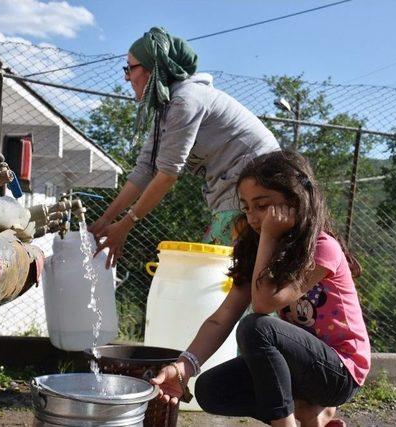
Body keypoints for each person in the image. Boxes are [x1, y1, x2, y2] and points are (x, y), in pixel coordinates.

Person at [150, 150, 371, 427]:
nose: (253, 217)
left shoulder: (322, 247)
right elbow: (223, 316)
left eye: (262, 205)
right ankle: (309, 410)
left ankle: (291, 421)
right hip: (295, 369)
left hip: (339, 372)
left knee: (257, 327)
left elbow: (265, 304)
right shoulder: (258, 250)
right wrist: (185, 365)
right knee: (211, 390)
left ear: (294, 201)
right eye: (246, 208)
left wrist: (268, 236)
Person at [88, 27, 279, 267]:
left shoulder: (185, 100)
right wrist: (105, 221)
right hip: (235, 189)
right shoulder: (167, 107)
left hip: (256, 187)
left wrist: (125, 225)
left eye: (129, 68)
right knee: (225, 270)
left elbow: (167, 174)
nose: (126, 77)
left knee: (221, 270)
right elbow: (145, 170)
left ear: (151, 70)